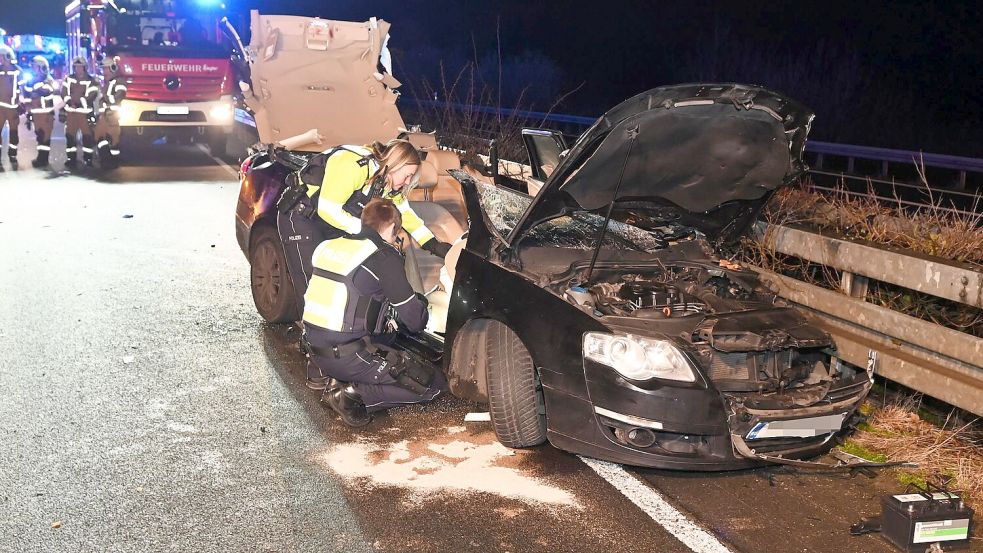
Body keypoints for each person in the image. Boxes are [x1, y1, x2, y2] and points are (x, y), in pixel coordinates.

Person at [302, 198, 447, 426]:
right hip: (347, 355)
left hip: (314, 348)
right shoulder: (383, 257)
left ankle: (324, 376)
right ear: (391, 228)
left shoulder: (328, 245)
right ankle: (353, 395)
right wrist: (420, 303)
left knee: (386, 337)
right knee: (432, 384)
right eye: (396, 234)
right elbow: (415, 320)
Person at [277, 139, 452, 312]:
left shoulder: (386, 180)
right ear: (395, 164)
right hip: (302, 217)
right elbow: (328, 209)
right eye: (407, 175)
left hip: (332, 223)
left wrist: (432, 243)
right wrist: (367, 233)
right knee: (313, 283)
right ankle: (312, 335)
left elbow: (404, 213)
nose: (407, 182)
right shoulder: (353, 165)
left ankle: (340, 331)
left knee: (340, 278)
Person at [60, 57, 100, 168]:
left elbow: (92, 95)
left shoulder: (90, 81)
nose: (78, 69)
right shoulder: (69, 79)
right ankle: (71, 158)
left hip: (84, 113)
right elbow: (63, 92)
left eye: (80, 67)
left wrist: (79, 103)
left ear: (84, 67)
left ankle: (88, 158)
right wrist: (69, 101)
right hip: (71, 113)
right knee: (69, 136)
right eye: (76, 67)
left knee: (87, 137)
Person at [22, 56, 56, 169]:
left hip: (46, 114)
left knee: (45, 136)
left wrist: (36, 87)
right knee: (39, 135)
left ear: (42, 67)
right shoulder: (30, 82)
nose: (33, 69)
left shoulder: (48, 80)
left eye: (35, 67)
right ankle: (41, 158)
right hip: (36, 114)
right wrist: (28, 113)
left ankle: (43, 159)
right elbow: (27, 98)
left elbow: (47, 91)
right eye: (32, 67)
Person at [94, 56, 127, 168]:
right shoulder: (107, 83)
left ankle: (113, 161)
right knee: (99, 136)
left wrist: (104, 96)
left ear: (113, 68)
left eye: (106, 69)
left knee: (113, 140)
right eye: (103, 69)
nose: (104, 72)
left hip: (112, 115)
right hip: (104, 115)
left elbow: (119, 96)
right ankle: (105, 159)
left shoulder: (120, 82)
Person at [0, 45, 22, 169]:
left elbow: (23, 89)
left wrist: (23, 103)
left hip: (13, 108)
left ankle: (12, 154)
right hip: (0, 107)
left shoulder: (18, 71)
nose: (0, 59)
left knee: (14, 132)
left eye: (1, 57)